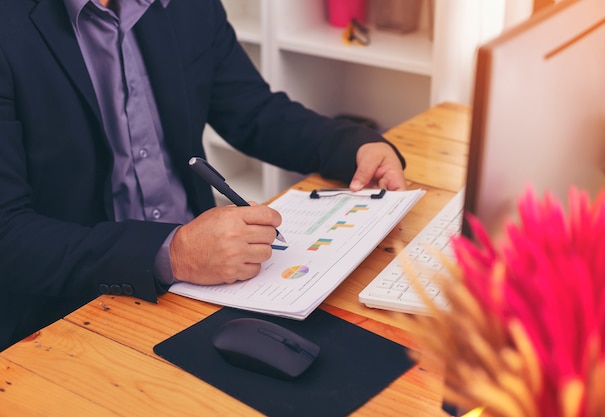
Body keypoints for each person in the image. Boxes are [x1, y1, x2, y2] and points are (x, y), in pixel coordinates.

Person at [0, 0, 407, 351]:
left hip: (203, 286)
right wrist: (171, 253)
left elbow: (252, 111)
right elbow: (8, 234)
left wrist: (353, 146)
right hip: (68, 310)